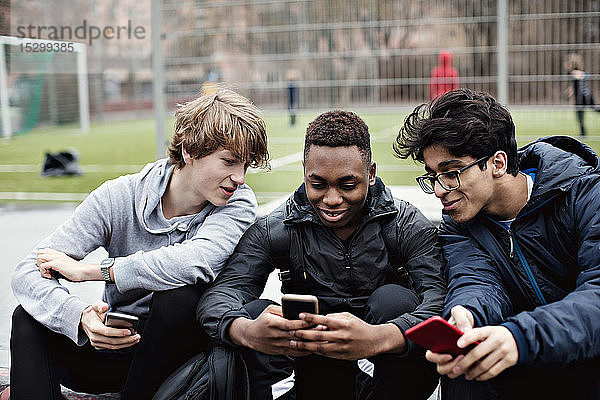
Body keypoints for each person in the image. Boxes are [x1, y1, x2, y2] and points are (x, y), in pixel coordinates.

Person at [8, 88, 269, 400]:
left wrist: (94, 271)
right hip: (117, 347)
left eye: (245, 165)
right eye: (229, 162)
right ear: (189, 150)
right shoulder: (120, 196)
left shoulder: (238, 204)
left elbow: (192, 261)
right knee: (27, 318)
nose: (240, 177)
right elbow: (27, 271)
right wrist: (80, 316)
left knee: (179, 296)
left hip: (182, 365)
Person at [197, 110, 446, 400]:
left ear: (371, 173)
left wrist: (383, 337)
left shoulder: (404, 224)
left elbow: (440, 299)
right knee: (252, 315)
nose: (331, 199)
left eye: (347, 185)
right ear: (305, 171)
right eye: (318, 184)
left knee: (394, 300)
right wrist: (245, 331)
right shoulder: (277, 227)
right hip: (314, 368)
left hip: (388, 369)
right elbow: (221, 295)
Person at [393, 88, 600, 399]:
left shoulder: (584, 194)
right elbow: (476, 279)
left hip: (584, 359)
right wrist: (466, 313)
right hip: (525, 361)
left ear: (498, 163)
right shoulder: (459, 221)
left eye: (451, 173)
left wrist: (519, 338)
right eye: (432, 176)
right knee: (463, 365)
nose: (439, 189)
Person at [563, 53, 599, 137]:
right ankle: (583, 133)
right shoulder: (572, 73)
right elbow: (573, 86)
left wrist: (581, 75)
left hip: (585, 96)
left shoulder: (575, 72)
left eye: (567, 63)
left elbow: (584, 76)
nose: (565, 65)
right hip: (580, 96)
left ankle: (583, 133)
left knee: (594, 109)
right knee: (579, 114)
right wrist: (567, 94)